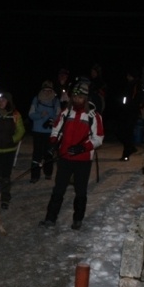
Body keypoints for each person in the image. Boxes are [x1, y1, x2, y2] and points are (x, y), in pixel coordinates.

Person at [39, 78, 104, 230]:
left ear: (86, 98)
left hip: (83, 160)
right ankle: (50, 218)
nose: (76, 100)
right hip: (65, 157)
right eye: (74, 96)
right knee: (58, 189)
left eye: (80, 97)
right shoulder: (66, 112)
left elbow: (99, 138)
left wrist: (83, 148)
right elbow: (56, 130)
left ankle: (78, 219)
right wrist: (53, 143)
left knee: (80, 190)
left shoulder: (93, 116)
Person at [28, 80, 60, 183]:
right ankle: (35, 175)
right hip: (37, 131)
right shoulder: (36, 99)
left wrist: (53, 120)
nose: (47, 92)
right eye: (45, 90)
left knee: (48, 153)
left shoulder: (55, 101)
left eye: (49, 90)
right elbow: (31, 114)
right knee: (37, 154)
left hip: (50, 131)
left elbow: (59, 115)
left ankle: (48, 173)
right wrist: (40, 115)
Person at [118, 70, 144, 161]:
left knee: (128, 133)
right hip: (126, 112)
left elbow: (140, 99)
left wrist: (136, 108)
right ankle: (131, 148)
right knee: (122, 132)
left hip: (132, 112)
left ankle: (126, 154)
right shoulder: (129, 85)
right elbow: (125, 98)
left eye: (128, 76)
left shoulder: (137, 85)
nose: (127, 77)